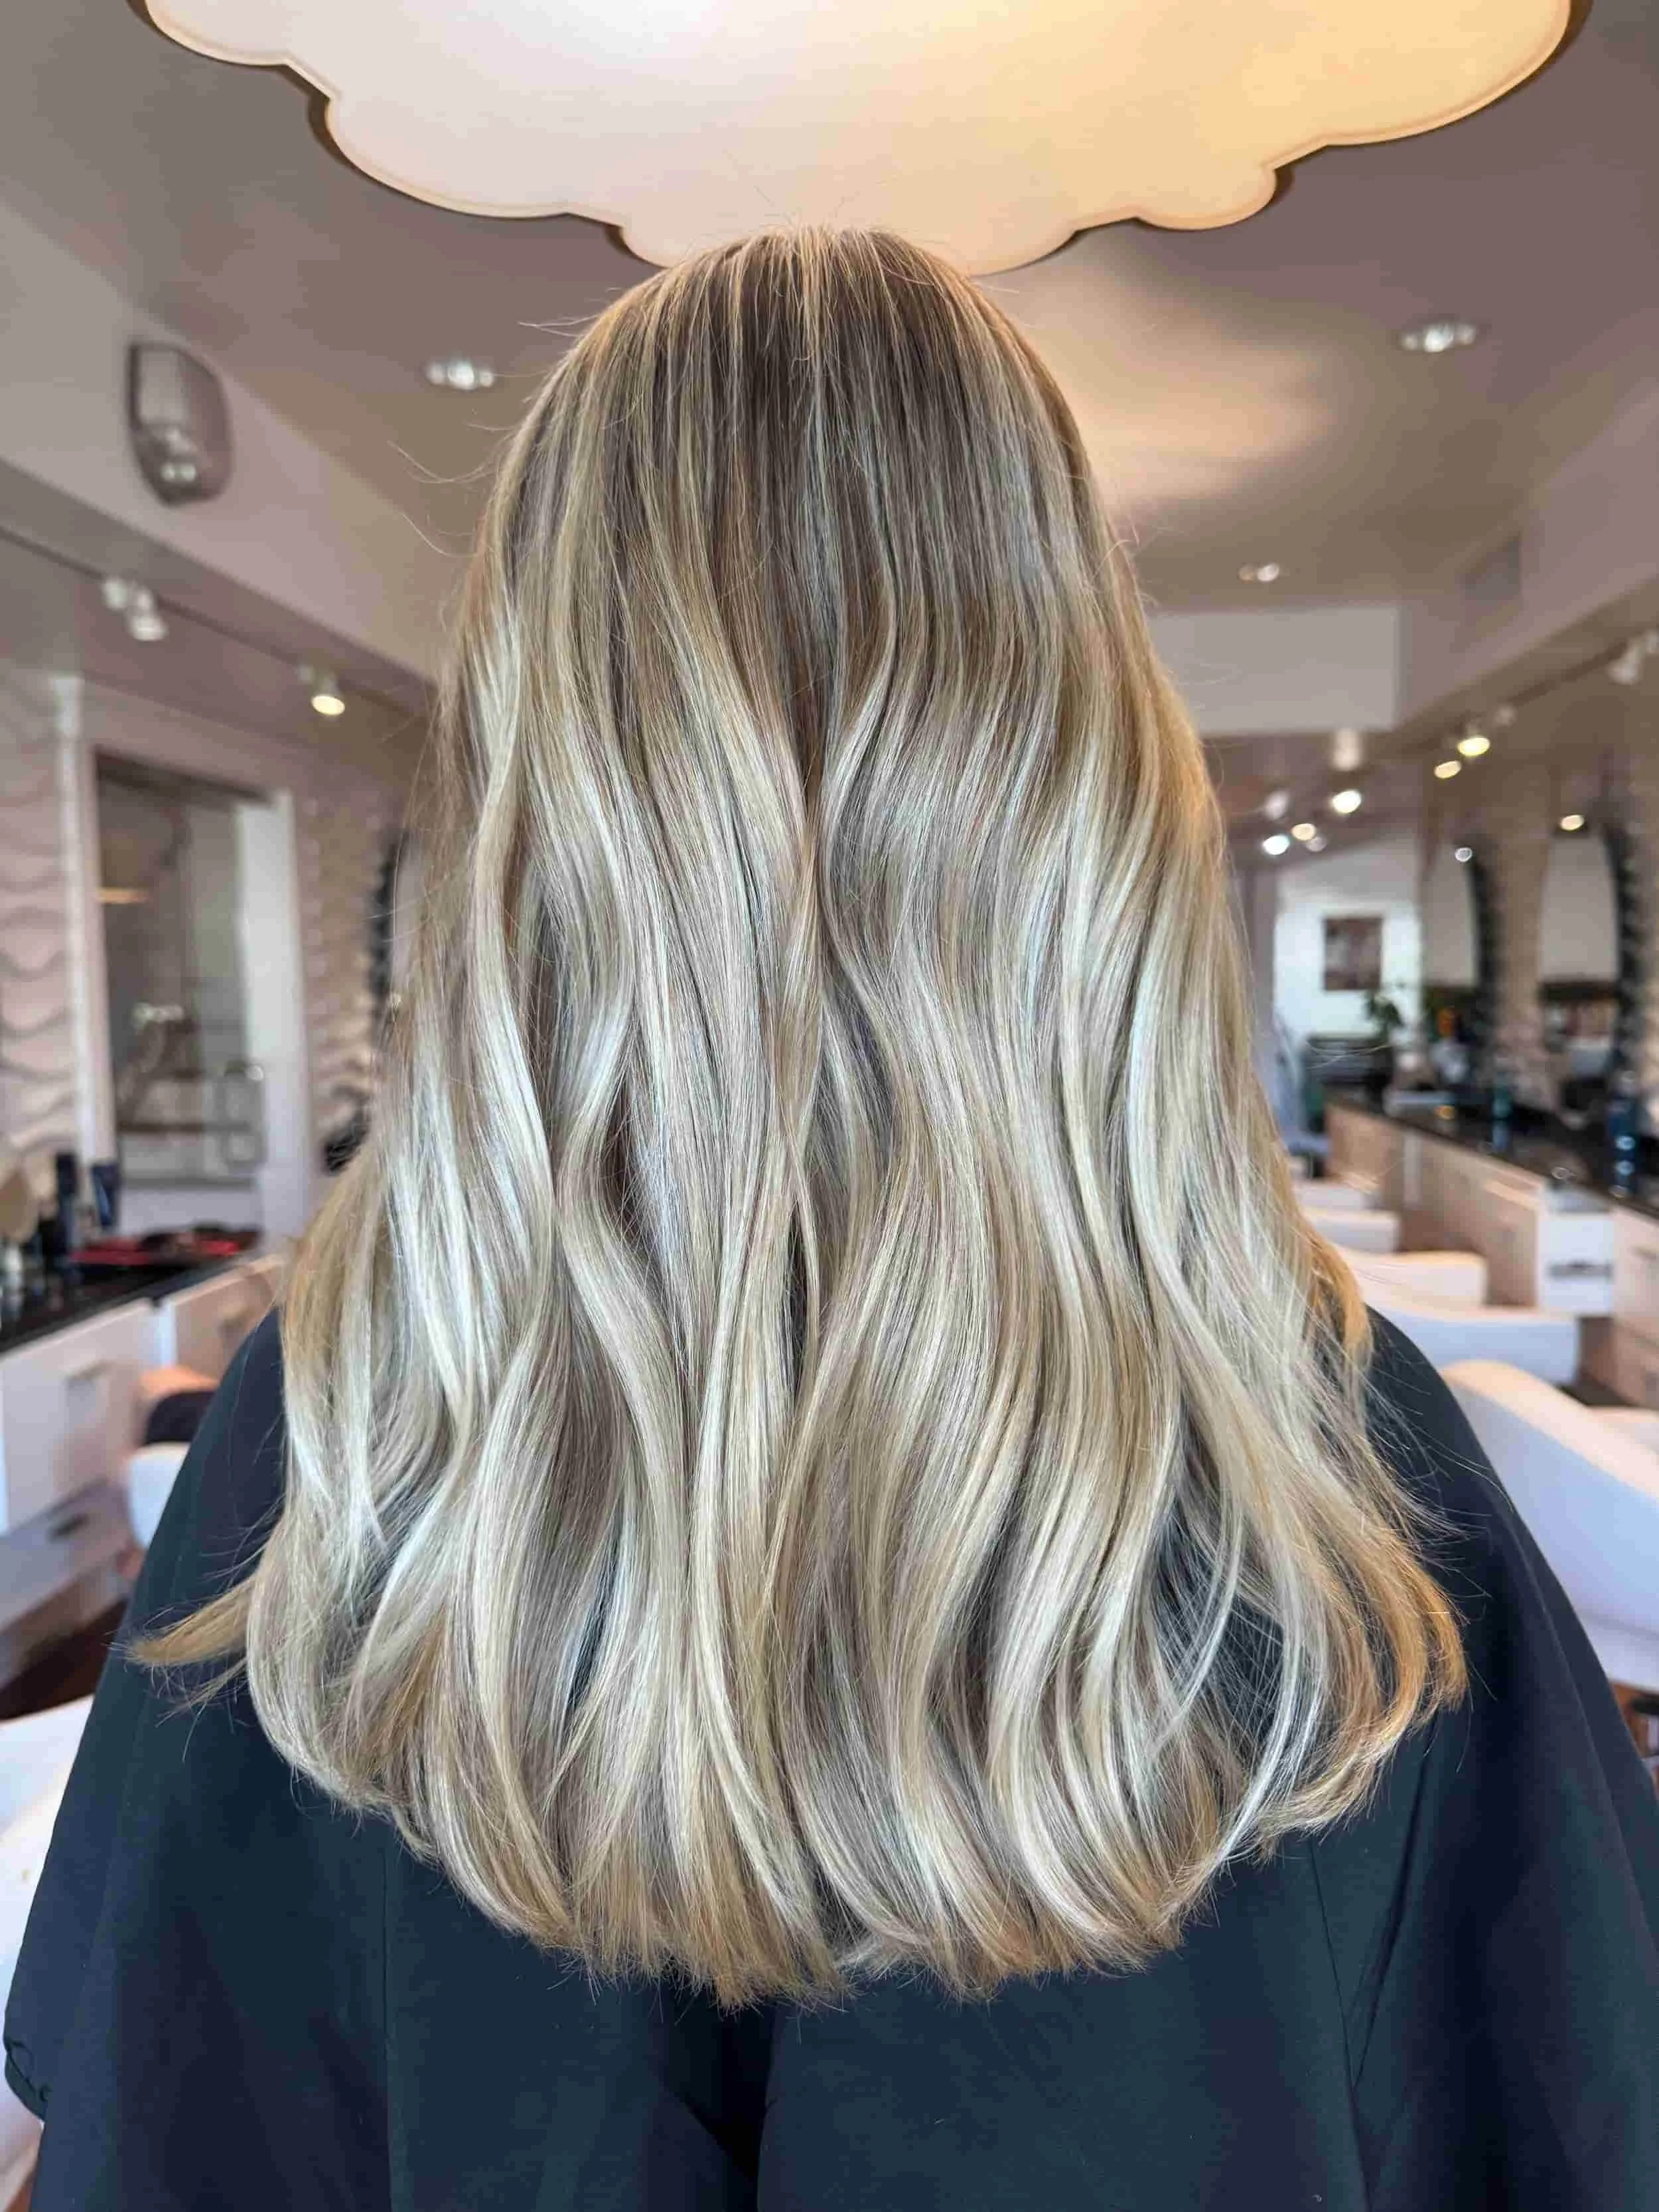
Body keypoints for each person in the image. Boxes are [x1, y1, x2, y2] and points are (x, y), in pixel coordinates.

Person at [7, 229, 1656, 2211]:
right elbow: (1551, 2114)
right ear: (1078, 754)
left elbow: (168, 2118)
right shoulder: (1316, 1445)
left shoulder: (345, 1434)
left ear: (558, 759)